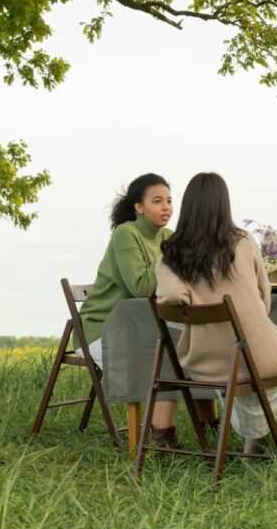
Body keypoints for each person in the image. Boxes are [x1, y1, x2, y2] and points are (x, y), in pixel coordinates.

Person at [155, 172, 277, 455]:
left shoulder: (170, 252)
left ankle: (250, 436)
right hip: (253, 357)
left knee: (236, 372)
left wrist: (195, 308)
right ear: (223, 204)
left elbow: (171, 299)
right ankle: (254, 442)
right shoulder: (243, 241)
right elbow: (264, 296)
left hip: (203, 362)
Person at [80, 173, 214, 445]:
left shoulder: (168, 236)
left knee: (194, 342)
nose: (167, 207)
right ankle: (161, 434)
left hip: (143, 326)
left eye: (169, 200)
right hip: (104, 328)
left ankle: (209, 424)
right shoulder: (125, 234)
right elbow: (140, 287)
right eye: (157, 201)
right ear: (138, 207)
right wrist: (173, 262)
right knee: (167, 351)